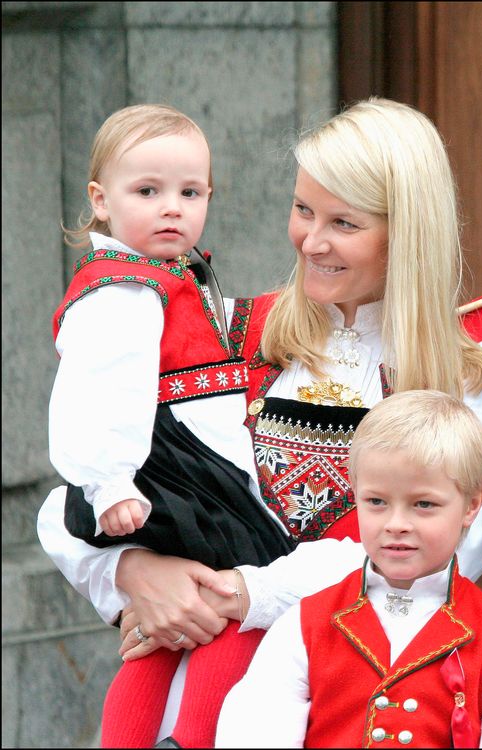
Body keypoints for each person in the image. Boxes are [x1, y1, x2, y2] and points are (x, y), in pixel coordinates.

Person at [37, 97, 482, 746]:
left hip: (371, 708)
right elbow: (71, 493)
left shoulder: (467, 380)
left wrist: (242, 591)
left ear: (408, 231)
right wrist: (132, 572)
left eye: (343, 223)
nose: (310, 241)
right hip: (196, 711)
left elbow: (427, 561)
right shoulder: (229, 332)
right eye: (303, 210)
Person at [48, 103, 296, 748]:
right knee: (230, 608)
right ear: (101, 200)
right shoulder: (123, 292)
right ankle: (190, 738)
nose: (172, 208)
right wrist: (109, 484)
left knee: (161, 633)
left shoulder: (168, 277)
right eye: (147, 191)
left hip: (175, 462)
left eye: (190, 192)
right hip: (170, 468)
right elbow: (97, 395)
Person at [216, 390, 482, 748]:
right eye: (377, 501)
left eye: (423, 504)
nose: (396, 523)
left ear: (472, 505)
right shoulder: (305, 624)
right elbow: (254, 732)